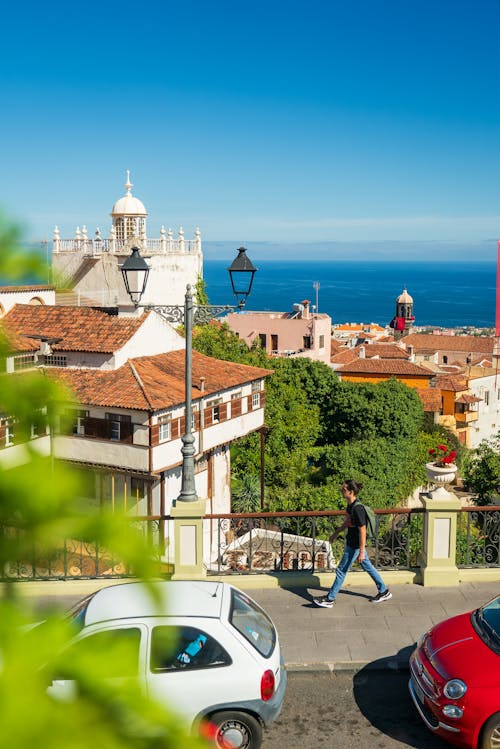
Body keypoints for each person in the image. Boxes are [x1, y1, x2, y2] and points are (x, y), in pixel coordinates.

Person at [313, 479, 392, 608]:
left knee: (341, 571)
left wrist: (361, 550)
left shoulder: (358, 509)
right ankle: (384, 591)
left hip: (355, 545)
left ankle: (330, 599)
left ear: (351, 492)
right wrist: (336, 533)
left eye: (344, 489)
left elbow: (362, 529)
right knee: (368, 567)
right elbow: (348, 522)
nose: (341, 490)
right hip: (353, 543)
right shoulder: (350, 506)